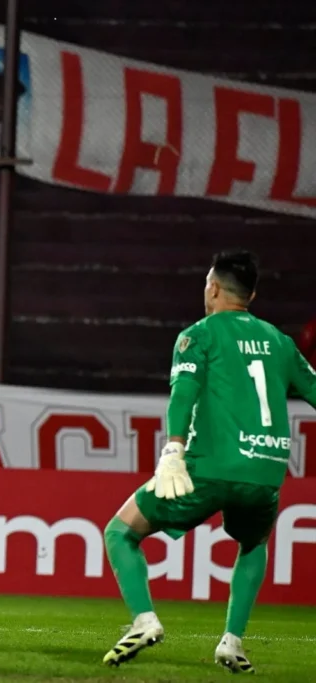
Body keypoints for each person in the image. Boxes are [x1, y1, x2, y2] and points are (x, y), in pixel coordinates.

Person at [101, 250, 316, 673]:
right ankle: (232, 642)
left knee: (120, 531)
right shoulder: (280, 341)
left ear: (213, 288)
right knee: (253, 544)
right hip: (267, 469)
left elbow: (183, 393)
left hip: (212, 466)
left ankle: (144, 621)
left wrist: (173, 450)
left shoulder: (197, 335)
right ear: (251, 296)